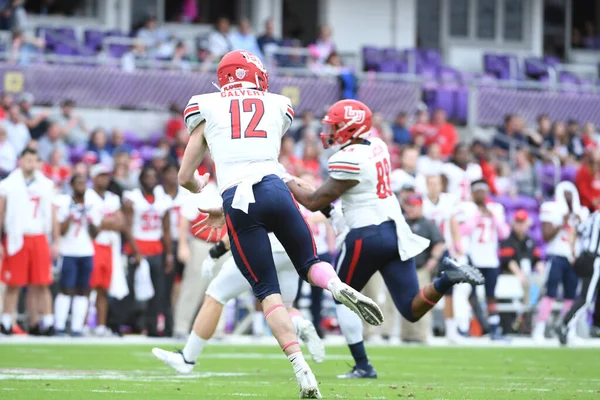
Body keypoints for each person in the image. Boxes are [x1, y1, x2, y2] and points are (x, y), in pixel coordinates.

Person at [154, 50, 382, 398]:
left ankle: (300, 367)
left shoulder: (205, 104)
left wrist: (199, 186)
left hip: (238, 202)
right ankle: (336, 286)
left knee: (267, 295)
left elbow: (185, 174)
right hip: (275, 187)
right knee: (310, 264)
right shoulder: (278, 104)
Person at [286, 99, 484, 378]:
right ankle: (445, 279)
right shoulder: (377, 146)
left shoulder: (347, 158)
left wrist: (283, 179)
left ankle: (363, 365)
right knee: (411, 308)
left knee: (341, 295)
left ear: (351, 128)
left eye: (335, 126)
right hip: (394, 231)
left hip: (366, 235)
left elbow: (315, 200)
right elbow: (342, 200)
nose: (328, 131)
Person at [0, 147, 58, 335]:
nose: (30, 164)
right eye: (27, 160)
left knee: (42, 282)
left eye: (33, 160)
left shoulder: (46, 184)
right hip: (17, 235)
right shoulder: (8, 184)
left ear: (38, 162)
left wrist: (55, 240)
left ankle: (47, 322)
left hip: (38, 235)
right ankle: (6, 321)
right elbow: (1, 213)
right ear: (20, 161)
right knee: (13, 282)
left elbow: (52, 214)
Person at [122, 165, 173, 337]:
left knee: (157, 292)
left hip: (156, 248)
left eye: (153, 177)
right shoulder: (133, 198)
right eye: (147, 177)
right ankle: (129, 324)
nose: (150, 180)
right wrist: (135, 251)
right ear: (141, 180)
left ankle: (151, 327)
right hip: (136, 246)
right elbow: (127, 227)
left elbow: (166, 229)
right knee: (131, 289)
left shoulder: (163, 199)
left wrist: (169, 254)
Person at [533, 181, 588, 341]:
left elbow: (585, 236)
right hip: (556, 255)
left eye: (571, 194)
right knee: (550, 293)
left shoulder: (581, 212)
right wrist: (562, 222)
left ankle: (567, 330)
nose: (569, 198)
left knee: (571, 296)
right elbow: (546, 235)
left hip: (574, 258)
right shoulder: (551, 209)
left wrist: (579, 224)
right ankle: (539, 329)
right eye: (566, 194)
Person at [460, 180, 510, 340]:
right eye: (478, 191)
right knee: (470, 294)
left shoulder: (496, 209)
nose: (481, 194)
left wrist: (492, 216)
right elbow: (462, 231)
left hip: (491, 259)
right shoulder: (467, 208)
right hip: (473, 258)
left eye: (484, 190)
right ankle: (474, 326)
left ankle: (494, 328)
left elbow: (504, 233)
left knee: (491, 295)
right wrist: (477, 216)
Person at [53, 174, 101, 336]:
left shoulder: (91, 203)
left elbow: (95, 233)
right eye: (78, 183)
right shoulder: (64, 202)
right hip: (69, 251)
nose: (81, 186)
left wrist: (88, 217)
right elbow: (61, 230)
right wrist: (70, 215)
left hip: (86, 251)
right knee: (66, 288)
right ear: (72, 185)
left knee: (83, 289)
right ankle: (59, 325)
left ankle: (77, 327)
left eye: (83, 182)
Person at [422, 174, 464, 342]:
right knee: (425, 290)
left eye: (436, 183)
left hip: (444, 250)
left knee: (449, 290)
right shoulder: (422, 203)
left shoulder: (447, 201)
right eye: (431, 183)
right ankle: (426, 329)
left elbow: (453, 223)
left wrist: (457, 244)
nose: (434, 187)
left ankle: (451, 329)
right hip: (425, 251)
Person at [401, 193, 445, 343]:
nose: (410, 209)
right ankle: (406, 335)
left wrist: (433, 259)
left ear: (420, 206)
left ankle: (422, 334)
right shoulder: (403, 222)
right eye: (408, 205)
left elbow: (439, 242)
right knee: (403, 302)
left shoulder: (428, 224)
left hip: (420, 268)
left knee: (422, 302)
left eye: (413, 206)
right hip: (403, 269)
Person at [86, 164, 124, 336]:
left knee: (104, 287)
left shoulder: (113, 198)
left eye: (106, 176)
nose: (104, 179)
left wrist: (102, 222)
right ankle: (85, 323)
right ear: (93, 177)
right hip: (91, 245)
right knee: (89, 287)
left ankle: (100, 326)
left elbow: (120, 223)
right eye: (101, 176)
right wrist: (107, 222)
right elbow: (91, 225)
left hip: (108, 246)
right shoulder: (87, 196)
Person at [154, 162, 188, 337]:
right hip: (161, 242)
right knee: (164, 286)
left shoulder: (185, 193)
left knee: (181, 284)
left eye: (176, 172)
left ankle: (177, 321)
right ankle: (164, 322)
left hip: (181, 241)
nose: (173, 176)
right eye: (170, 172)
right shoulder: (158, 193)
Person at [556, 210, 600, 344]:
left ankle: (596, 326)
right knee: (586, 298)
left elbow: (576, 229)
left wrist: (573, 252)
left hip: (586, 258)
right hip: (595, 260)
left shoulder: (595, 216)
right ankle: (565, 323)